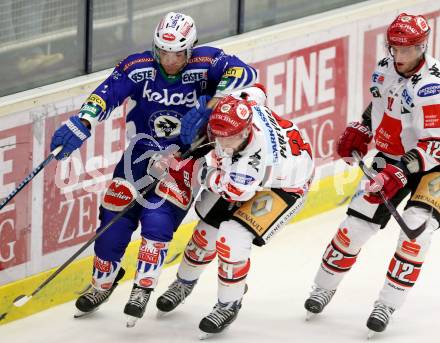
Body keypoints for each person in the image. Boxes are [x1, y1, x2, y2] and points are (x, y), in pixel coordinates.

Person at [49, 11, 257, 327]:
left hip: (185, 157)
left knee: (157, 220)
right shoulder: (139, 66)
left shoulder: (207, 63)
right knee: (112, 218)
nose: (170, 60)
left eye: (178, 53)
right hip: (141, 151)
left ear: (191, 48)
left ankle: (143, 286)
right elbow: (108, 92)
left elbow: (245, 73)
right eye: (163, 51)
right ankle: (103, 281)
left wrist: (211, 106)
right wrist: (84, 121)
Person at [303, 13, 440, 337]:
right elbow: (379, 105)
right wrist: (363, 129)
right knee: (354, 226)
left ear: (422, 47)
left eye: (408, 50)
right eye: (396, 48)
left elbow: (435, 142)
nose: (401, 56)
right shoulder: (383, 68)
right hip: (392, 158)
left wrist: (400, 172)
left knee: (415, 237)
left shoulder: (432, 86)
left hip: (431, 164)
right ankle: (323, 288)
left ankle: (387, 304)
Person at [154, 85, 314, 338]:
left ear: (247, 130)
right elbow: (257, 89)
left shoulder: (252, 163)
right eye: (219, 135)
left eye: (231, 137)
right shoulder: (243, 108)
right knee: (204, 234)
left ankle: (229, 303)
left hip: (284, 186)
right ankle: (183, 283)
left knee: (232, 237)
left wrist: (190, 168)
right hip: (252, 175)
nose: (223, 143)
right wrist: (207, 109)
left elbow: (232, 189)